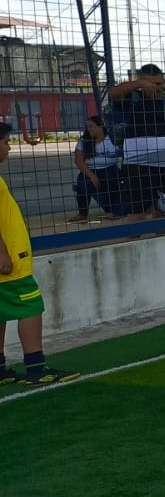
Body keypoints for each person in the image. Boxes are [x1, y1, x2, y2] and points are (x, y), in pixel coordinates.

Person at [0, 123, 77, 387]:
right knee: (30, 306)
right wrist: (2, 252)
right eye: (5, 142)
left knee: (1, 310)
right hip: (11, 258)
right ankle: (36, 368)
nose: (9, 148)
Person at [106, 64, 165, 220]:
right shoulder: (131, 99)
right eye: (150, 83)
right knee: (138, 211)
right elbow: (113, 93)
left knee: (163, 211)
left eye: (158, 83)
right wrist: (138, 84)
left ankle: (160, 230)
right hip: (138, 166)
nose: (155, 87)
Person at [68, 115, 123, 223]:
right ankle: (82, 213)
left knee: (112, 180)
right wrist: (92, 176)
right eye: (88, 127)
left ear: (100, 127)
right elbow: (79, 161)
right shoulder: (83, 141)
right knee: (83, 184)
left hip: (110, 168)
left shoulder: (112, 139)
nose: (89, 129)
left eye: (91, 126)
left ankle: (113, 210)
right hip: (90, 170)